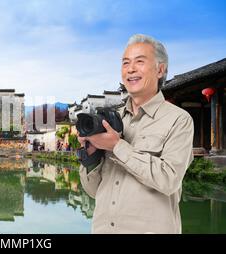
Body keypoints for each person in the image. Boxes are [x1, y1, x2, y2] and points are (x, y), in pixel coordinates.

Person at [78, 34, 194, 234]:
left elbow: (169, 180)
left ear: (160, 69)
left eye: (139, 62)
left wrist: (116, 146)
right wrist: (92, 156)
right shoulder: (112, 121)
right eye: (125, 63)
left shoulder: (179, 120)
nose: (130, 69)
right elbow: (94, 191)